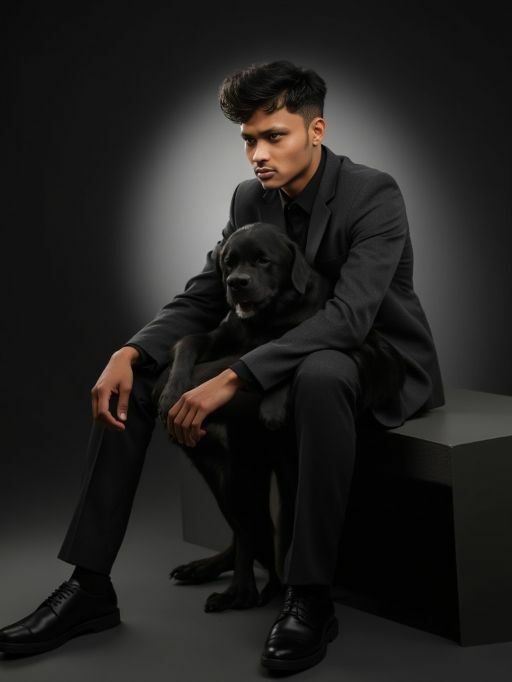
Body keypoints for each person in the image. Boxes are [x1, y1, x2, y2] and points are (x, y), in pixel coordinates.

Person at [0, 60, 444, 672]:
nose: (258, 155)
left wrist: (233, 376)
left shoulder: (373, 194)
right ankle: (89, 587)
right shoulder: (249, 198)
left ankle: (309, 596)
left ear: (316, 130)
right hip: (281, 357)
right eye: (249, 140)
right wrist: (130, 351)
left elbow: (349, 319)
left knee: (321, 375)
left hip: (373, 357)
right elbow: (206, 293)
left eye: (274, 136)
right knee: (141, 383)